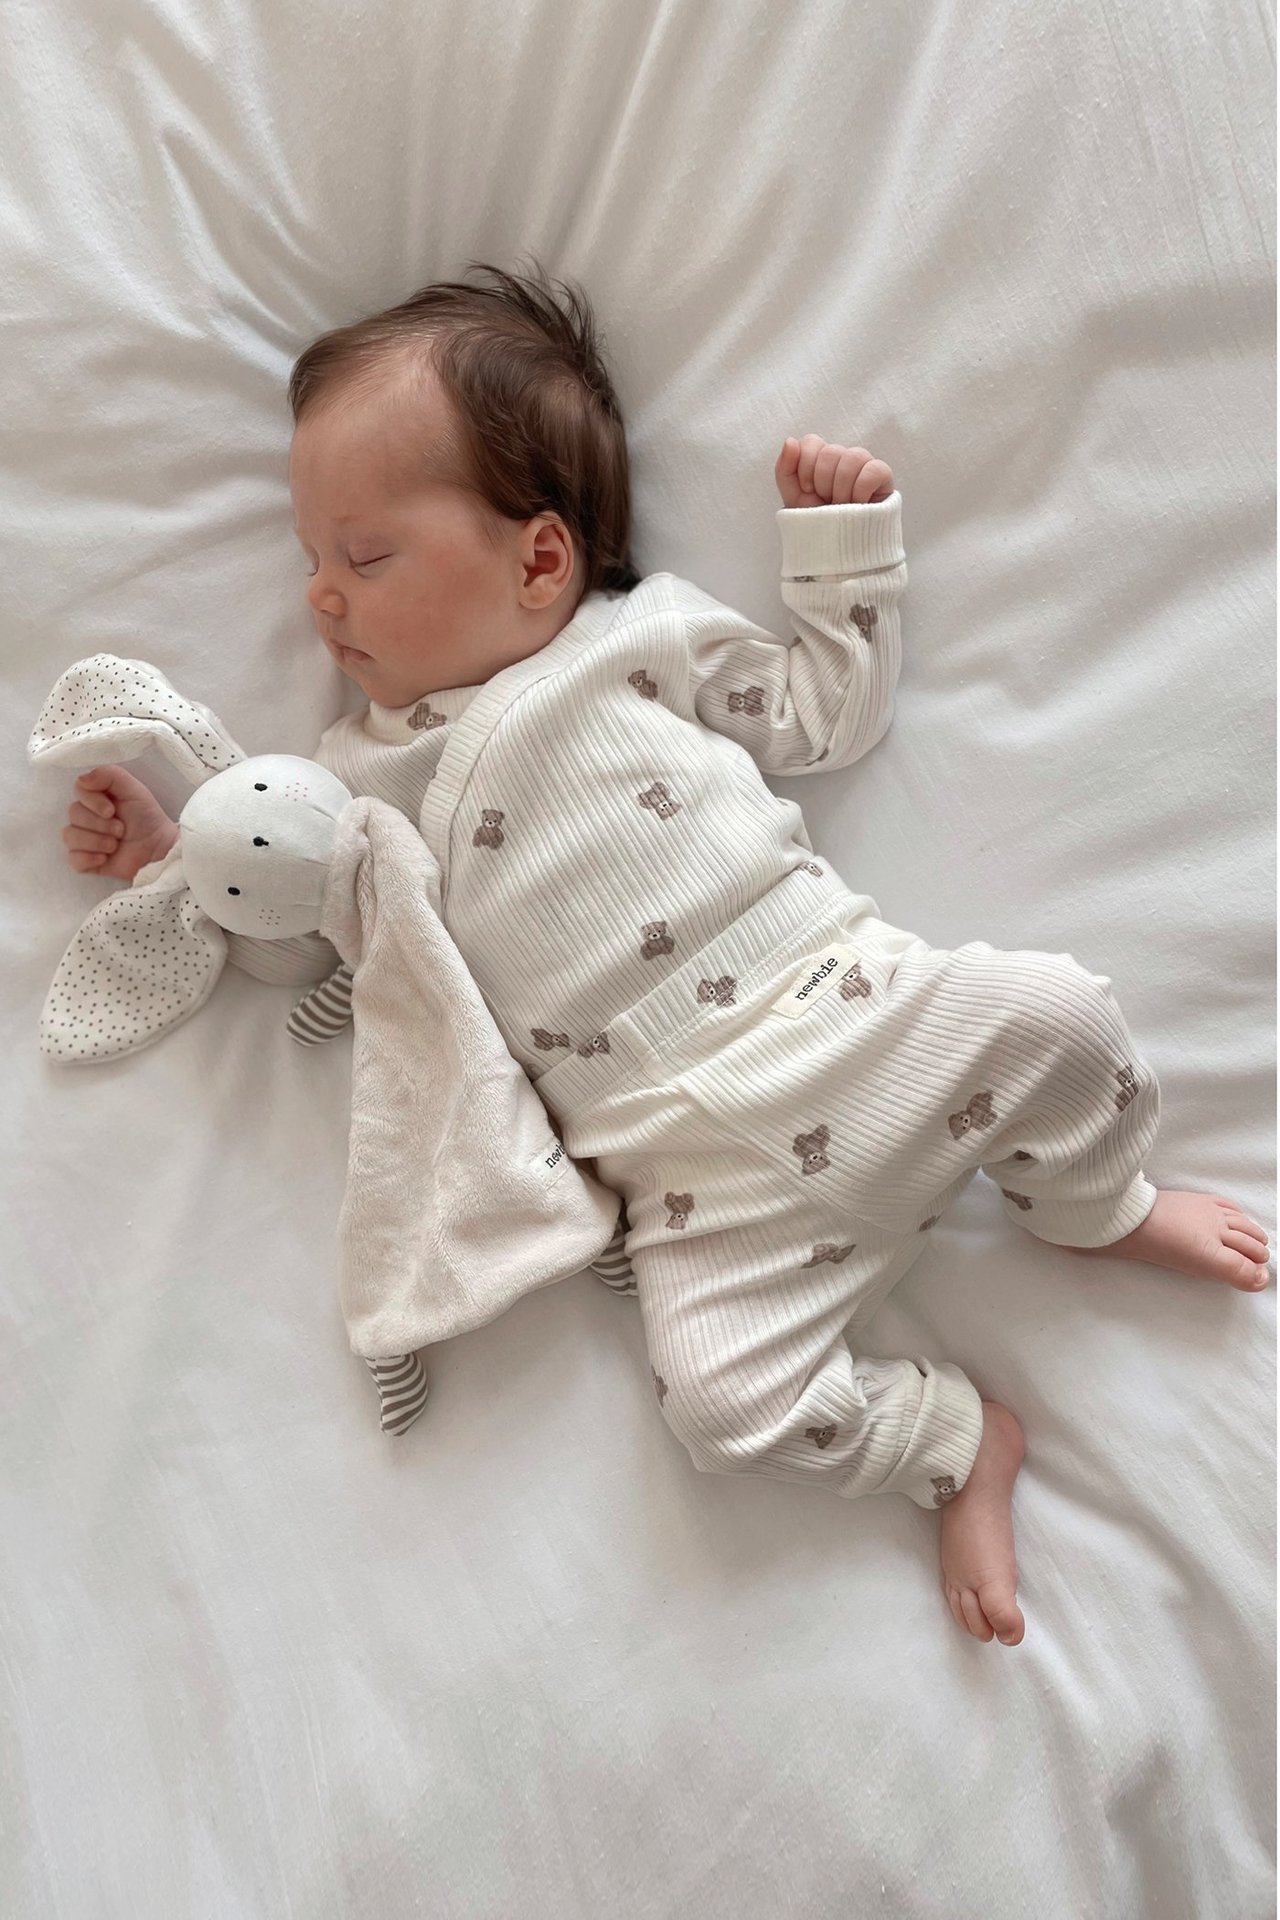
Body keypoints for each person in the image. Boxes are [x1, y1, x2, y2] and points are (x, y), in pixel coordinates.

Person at [59, 261, 1271, 1649]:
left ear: (540, 557)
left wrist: (843, 548)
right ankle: (951, 1442)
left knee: (1055, 1008)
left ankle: (1097, 1204)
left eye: (367, 555)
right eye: (312, 564)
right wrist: (173, 851)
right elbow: (309, 925)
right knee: (720, 1410)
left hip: (848, 1019)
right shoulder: (355, 787)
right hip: (690, 1188)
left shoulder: (634, 643)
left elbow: (825, 714)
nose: (325, 601)